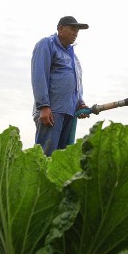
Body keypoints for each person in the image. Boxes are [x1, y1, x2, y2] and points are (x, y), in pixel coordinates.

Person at [31, 16, 89, 155]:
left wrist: (80, 103)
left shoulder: (73, 57)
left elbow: (77, 82)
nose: (76, 33)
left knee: (61, 157)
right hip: (51, 111)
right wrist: (44, 106)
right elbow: (39, 75)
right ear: (60, 29)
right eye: (73, 29)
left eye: (77, 31)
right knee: (46, 155)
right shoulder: (46, 44)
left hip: (69, 112)